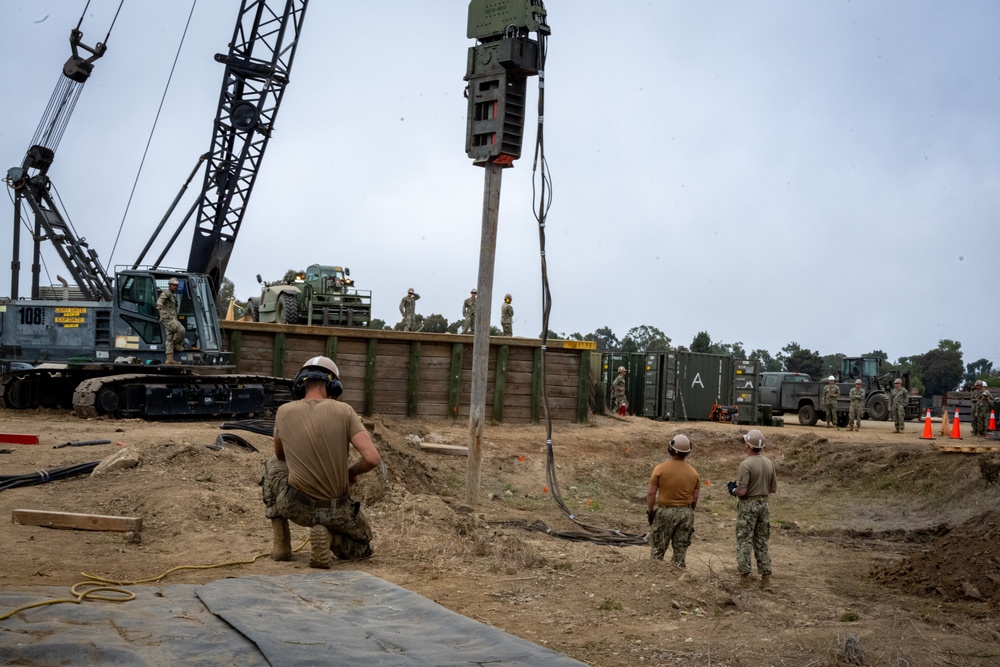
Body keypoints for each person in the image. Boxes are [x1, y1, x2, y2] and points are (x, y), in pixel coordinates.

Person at [260, 356, 382, 568]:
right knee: (363, 547)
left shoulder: (284, 412)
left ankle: (281, 544)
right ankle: (330, 539)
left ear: (301, 385)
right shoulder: (345, 412)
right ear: (333, 385)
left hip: (296, 507)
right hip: (337, 510)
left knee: (273, 465)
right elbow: (372, 459)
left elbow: (280, 456)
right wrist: (349, 471)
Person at [728, 429, 777, 590]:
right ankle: (766, 578)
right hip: (763, 504)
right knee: (761, 541)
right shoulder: (769, 463)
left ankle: (745, 579)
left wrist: (733, 490)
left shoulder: (745, 465)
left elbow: (742, 491)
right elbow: (773, 488)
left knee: (744, 541)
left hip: (748, 506)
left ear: (748, 445)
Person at [646, 434, 700, 568]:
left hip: (665, 512)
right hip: (685, 513)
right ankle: (678, 580)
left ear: (670, 449)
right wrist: (688, 510)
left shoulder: (660, 469)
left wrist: (650, 511)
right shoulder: (694, 473)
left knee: (658, 550)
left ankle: (654, 576)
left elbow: (651, 493)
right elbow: (695, 497)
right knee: (680, 551)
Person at [156, 277, 186, 365]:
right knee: (181, 330)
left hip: (171, 318)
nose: (175, 287)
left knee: (169, 339)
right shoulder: (167, 293)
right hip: (168, 319)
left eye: (176, 286)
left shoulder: (172, 295)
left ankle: (169, 360)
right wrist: (159, 305)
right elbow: (161, 299)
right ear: (169, 285)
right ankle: (176, 344)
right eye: (173, 285)